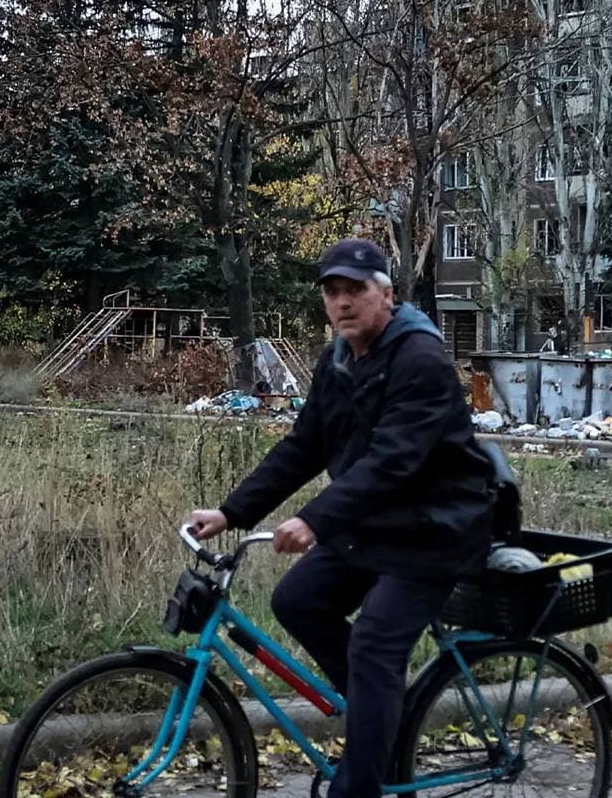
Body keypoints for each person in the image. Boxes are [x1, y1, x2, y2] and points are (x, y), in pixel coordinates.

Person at [187, 238, 494, 798]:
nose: (342, 302)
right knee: (297, 601)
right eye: (332, 292)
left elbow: (393, 460)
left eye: (355, 290)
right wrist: (232, 511)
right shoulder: (339, 358)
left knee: (374, 645)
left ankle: (361, 780)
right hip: (379, 523)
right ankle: (380, 723)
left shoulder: (420, 359)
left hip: (436, 529)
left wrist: (316, 520)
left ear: (386, 294)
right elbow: (305, 445)